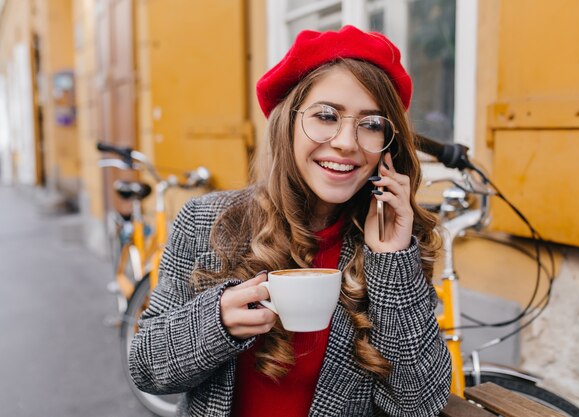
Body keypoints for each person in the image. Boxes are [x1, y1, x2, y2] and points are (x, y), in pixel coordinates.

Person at [129, 25, 451, 416]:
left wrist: (392, 260)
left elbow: (418, 405)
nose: (347, 142)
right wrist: (215, 324)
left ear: (388, 145)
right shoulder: (207, 222)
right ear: (288, 124)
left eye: (370, 124)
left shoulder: (393, 242)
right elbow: (146, 367)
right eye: (326, 116)